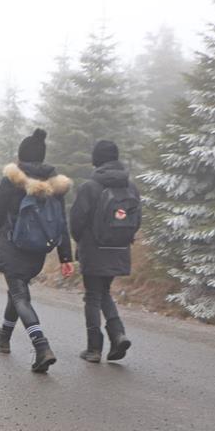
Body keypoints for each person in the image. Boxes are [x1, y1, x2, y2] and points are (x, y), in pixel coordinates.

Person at [0, 128, 74, 373]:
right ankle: (3, 338)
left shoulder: (12, 180)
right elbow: (60, 222)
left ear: (21, 156)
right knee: (17, 289)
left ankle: (41, 345)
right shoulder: (54, 185)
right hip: (38, 251)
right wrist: (66, 256)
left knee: (20, 294)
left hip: (13, 246)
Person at [69, 140, 140, 363]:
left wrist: (81, 242)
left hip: (94, 247)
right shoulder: (131, 187)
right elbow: (137, 220)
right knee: (104, 291)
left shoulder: (89, 186)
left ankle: (94, 348)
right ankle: (118, 334)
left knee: (92, 295)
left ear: (97, 159)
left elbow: (77, 221)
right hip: (119, 247)